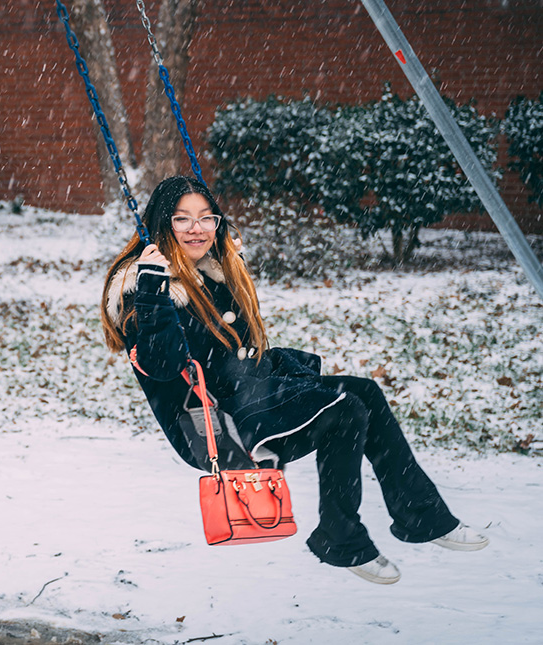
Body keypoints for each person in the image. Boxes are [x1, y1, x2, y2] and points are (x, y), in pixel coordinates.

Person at [100, 176, 489, 585]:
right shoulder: (140, 286)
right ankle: (341, 538)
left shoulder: (210, 270)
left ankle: (423, 519)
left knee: (365, 394)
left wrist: (226, 272)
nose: (197, 229)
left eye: (206, 218)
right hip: (218, 425)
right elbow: (162, 364)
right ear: (162, 225)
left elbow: (238, 342)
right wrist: (152, 288)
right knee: (344, 411)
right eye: (182, 220)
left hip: (252, 395)